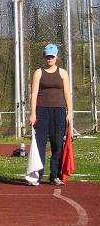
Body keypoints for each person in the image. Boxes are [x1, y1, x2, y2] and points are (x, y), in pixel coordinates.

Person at [28, 43, 72, 186]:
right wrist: (33, 113)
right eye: (47, 56)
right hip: (41, 111)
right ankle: (36, 175)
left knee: (57, 144)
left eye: (52, 56)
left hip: (58, 112)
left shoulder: (63, 73)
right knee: (39, 144)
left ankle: (55, 175)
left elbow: (67, 93)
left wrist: (69, 112)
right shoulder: (38, 72)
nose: (50, 59)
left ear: (57, 57)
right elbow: (34, 94)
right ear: (44, 56)